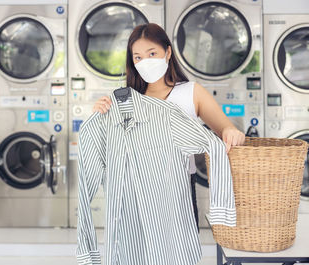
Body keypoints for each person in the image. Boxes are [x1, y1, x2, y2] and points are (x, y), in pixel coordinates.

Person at [91, 23, 245, 230]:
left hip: (179, 187)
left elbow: (225, 129)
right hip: (136, 187)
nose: (145, 62)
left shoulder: (191, 92)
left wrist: (232, 133)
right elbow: (109, 148)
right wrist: (99, 116)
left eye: (152, 53)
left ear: (168, 52)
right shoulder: (125, 99)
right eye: (138, 57)